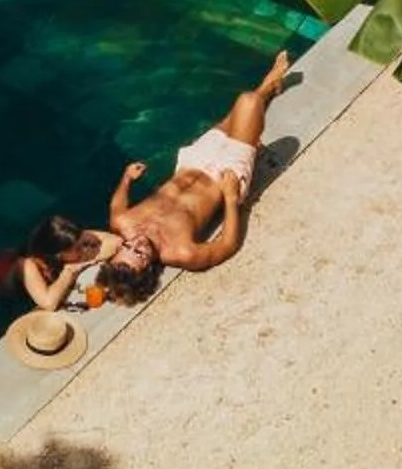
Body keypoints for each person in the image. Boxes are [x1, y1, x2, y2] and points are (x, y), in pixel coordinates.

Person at [102, 50, 292, 297]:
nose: (137, 242)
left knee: (232, 118)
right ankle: (266, 90)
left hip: (192, 163)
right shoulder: (181, 252)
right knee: (248, 102)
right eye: (139, 253)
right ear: (148, 268)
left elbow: (117, 206)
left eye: (126, 246)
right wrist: (232, 200)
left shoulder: (122, 223)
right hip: (225, 175)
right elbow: (227, 246)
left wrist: (126, 179)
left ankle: (269, 88)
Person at [0, 215, 123, 310]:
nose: (85, 250)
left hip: (26, 280)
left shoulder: (72, 238)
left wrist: (89, 258)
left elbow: (117, 242)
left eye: (83, 244)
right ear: (58, 255)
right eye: (78, 248)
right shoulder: (27, 265)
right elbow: (48, 303)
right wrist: (69, 271)